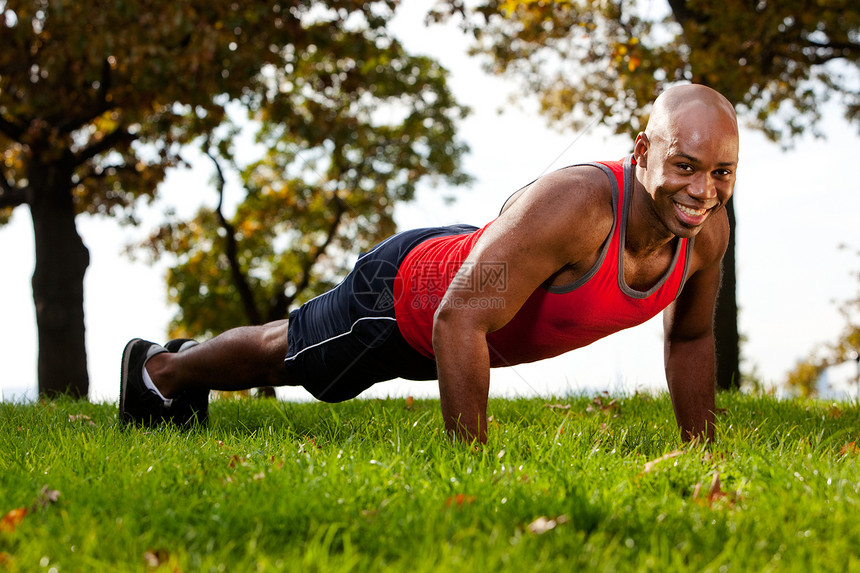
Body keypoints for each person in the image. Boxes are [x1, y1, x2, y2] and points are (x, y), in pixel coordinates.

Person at [120, 84, 739, 444]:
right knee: (296, 358)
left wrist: (703, 455)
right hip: (407, 298)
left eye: (721, 173)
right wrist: (470, 471)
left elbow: (689, 337)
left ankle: (176, 367)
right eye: (684, 165)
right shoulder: (576, 208)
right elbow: (459, 317)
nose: (702, 191)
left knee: (297, 355)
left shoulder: (707, 234)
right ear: (642, 152)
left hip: (472, 276)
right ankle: (162, 370)